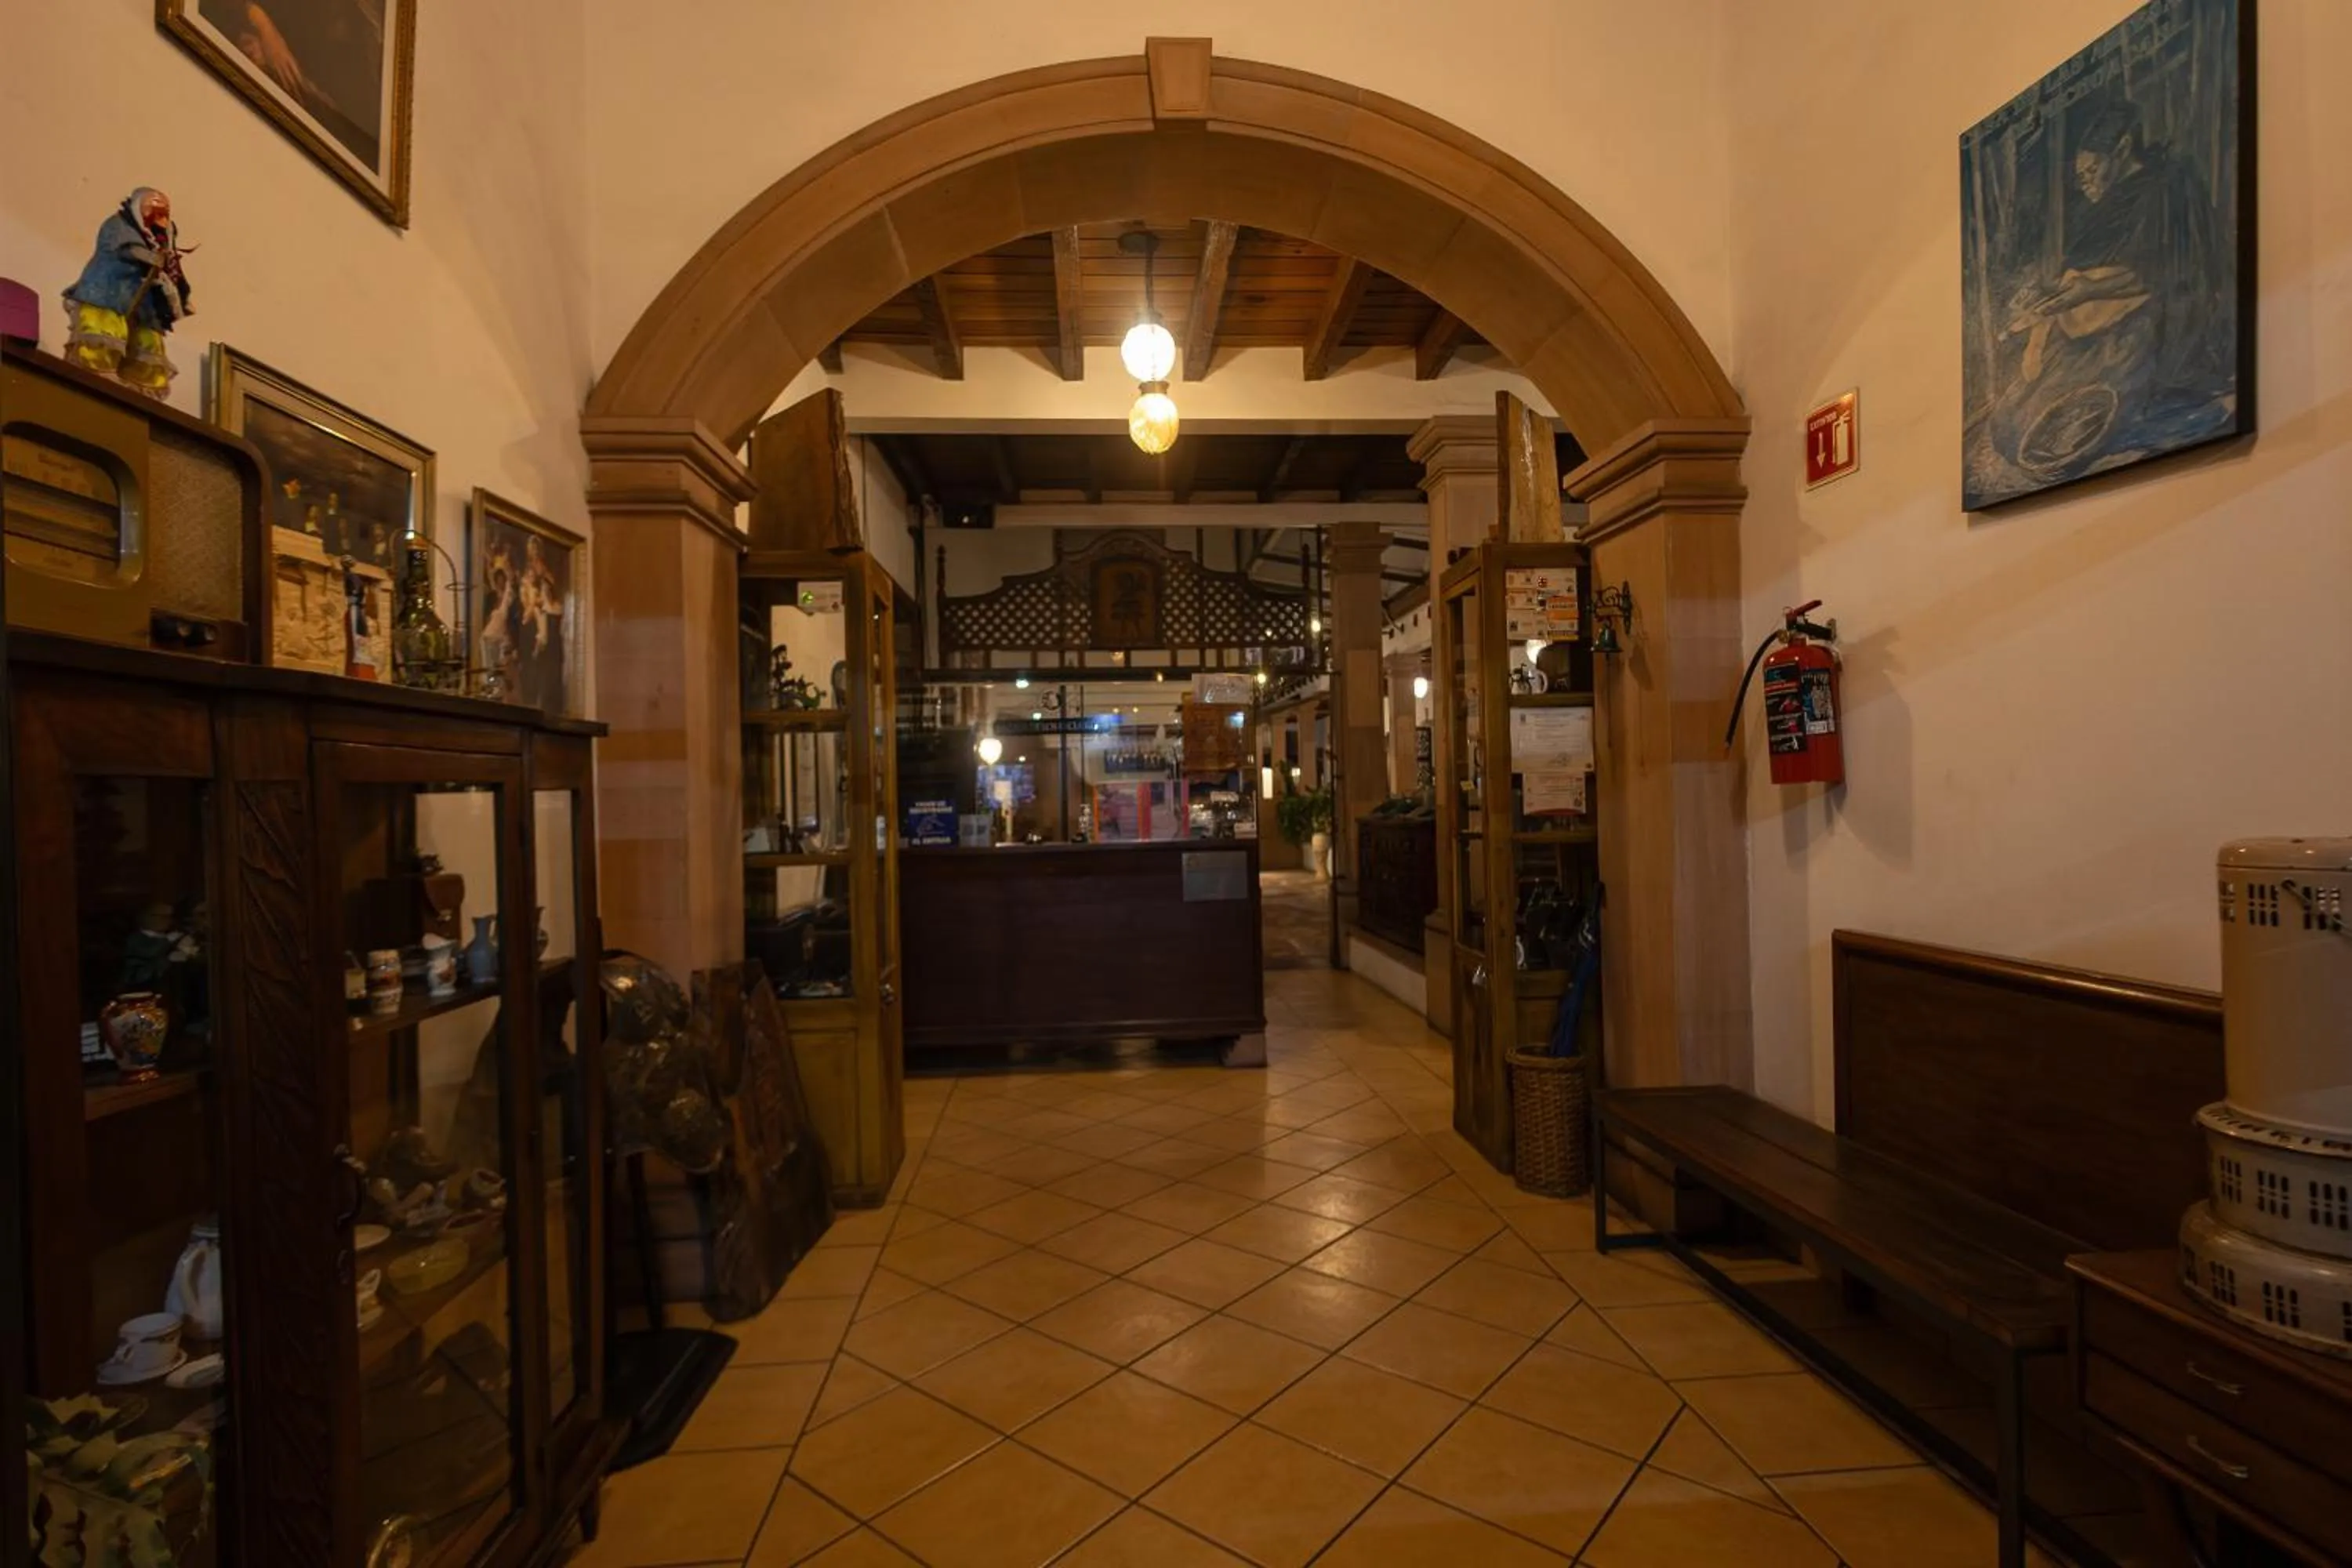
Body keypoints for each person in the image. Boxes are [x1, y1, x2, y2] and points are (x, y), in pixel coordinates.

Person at [63, 188, 194, 397]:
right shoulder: (118, 225)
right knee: (105, 329)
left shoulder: (160, 237)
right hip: (108, 291)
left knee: (147, 340)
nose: (160, 215)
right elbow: (127, 249)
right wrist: (152, 258)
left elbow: (166, 263)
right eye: (155, 208)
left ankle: (140, 383)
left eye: (164, 211)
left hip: (142, 301)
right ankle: (99, 367)